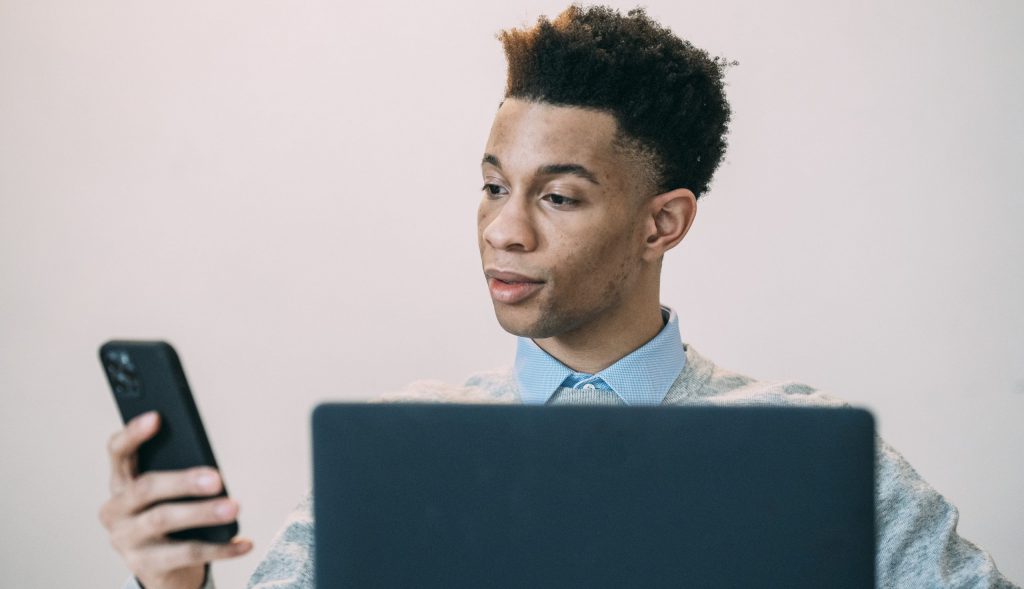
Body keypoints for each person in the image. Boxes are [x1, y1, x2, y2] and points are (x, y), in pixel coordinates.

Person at [100, 5, 1018, 588]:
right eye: (495, 184)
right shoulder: (391, 454)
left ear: (663, 224)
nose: (504, 230)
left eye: (558, 196)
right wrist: (175, 586)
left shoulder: (814, 456)